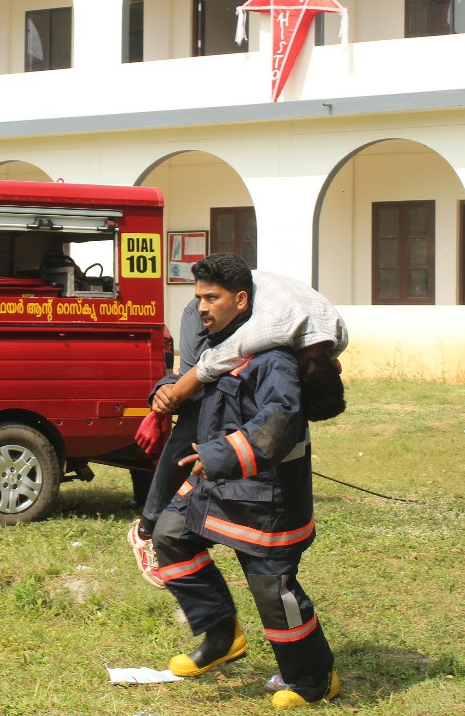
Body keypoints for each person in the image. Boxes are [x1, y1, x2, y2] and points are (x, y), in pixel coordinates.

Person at [150, 253, 339, 708]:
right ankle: (221, 636)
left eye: (212, 298)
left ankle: (314, 678)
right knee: (170, 535)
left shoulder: (271, 358)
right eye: (198, 298)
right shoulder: (219, 346)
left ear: (240, 300)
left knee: (274, 592)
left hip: (267, 493)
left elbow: (281, 421)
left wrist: (218, 455)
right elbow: (195, 386)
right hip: (216, 479)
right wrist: (163, 387)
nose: (201, 307)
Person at [128, 269, 347, 586]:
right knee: (198, 406)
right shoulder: (269, 332)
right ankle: (146, 528)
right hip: (224, 301)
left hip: (248, 300)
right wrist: (170, 397)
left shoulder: (336, 336)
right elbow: (209, 366)